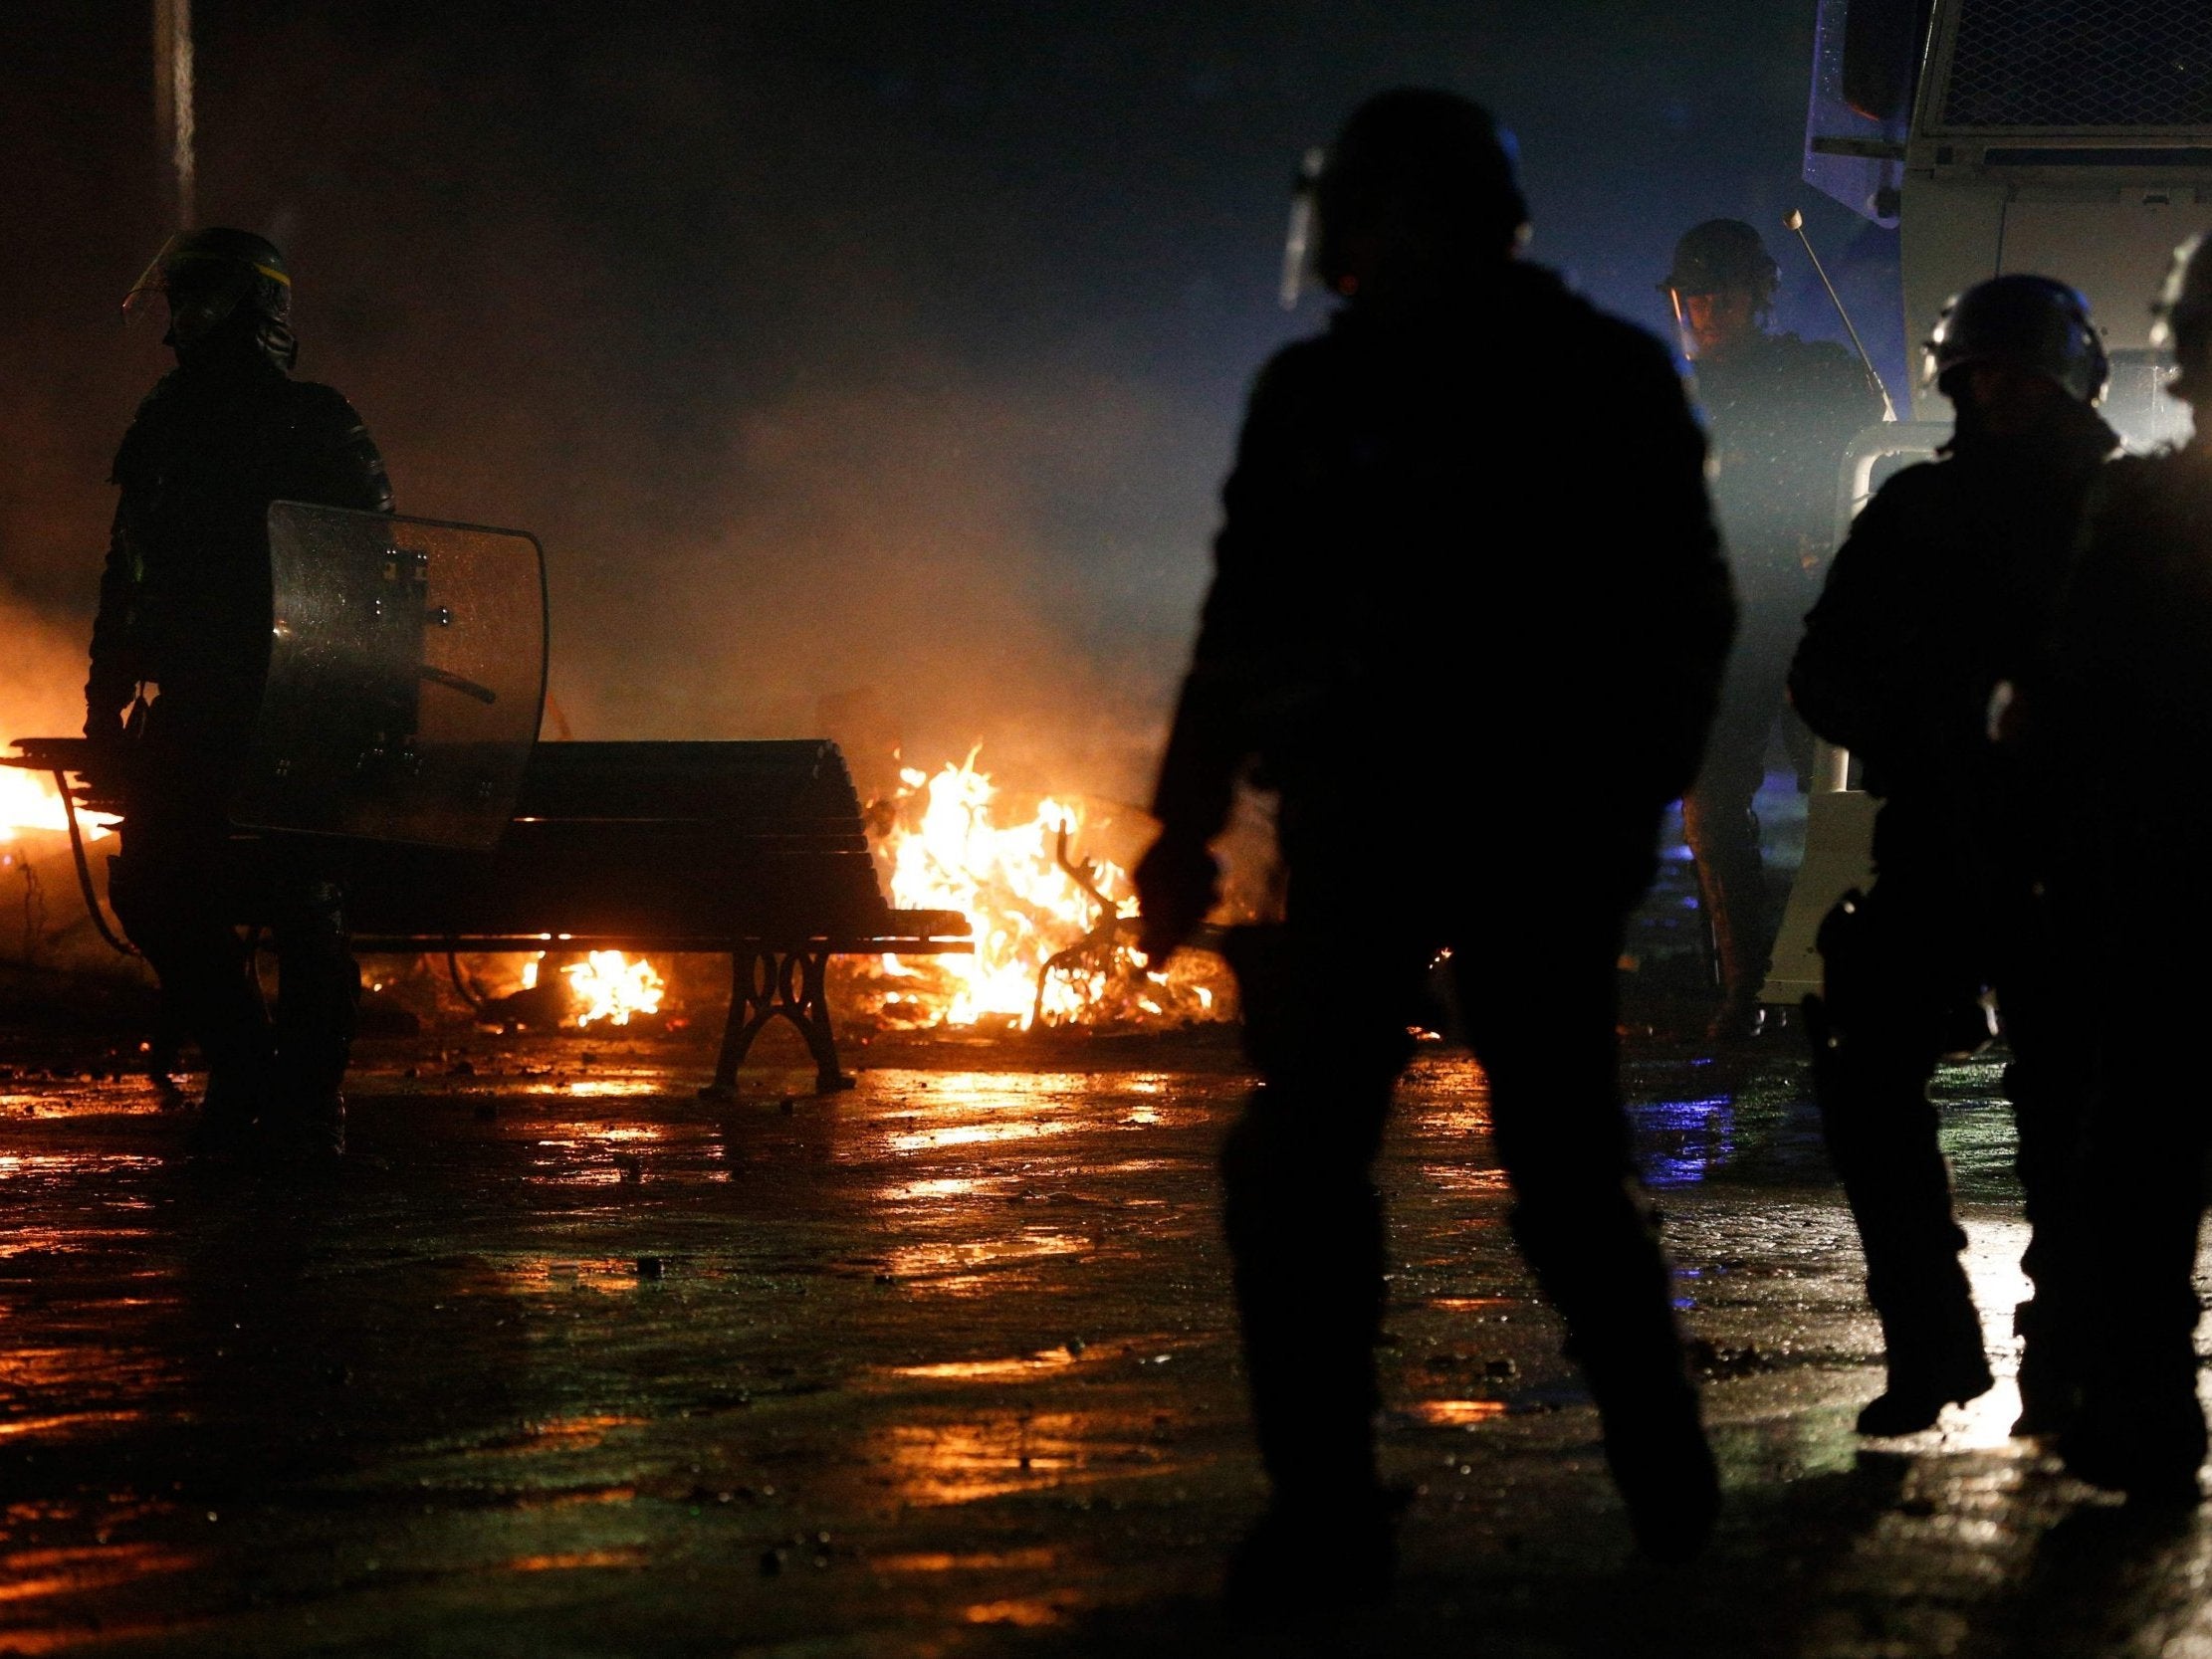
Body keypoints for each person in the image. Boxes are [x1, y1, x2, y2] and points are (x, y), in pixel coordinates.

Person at [1135, 89, 1736, 1610]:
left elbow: (1680, 613)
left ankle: (1555, 1475)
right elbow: (1245, 625)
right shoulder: (1563, 374)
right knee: (1404, 1159)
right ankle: (1574, 1479)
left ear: (1397, 214)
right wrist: (1186, 820)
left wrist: (1188, 826)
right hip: (1443, 828)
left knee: (1433, 1160)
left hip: (1470, 826)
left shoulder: (1444, 384)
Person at [1788, 275, 2117, 1439]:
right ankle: (1928, 1342)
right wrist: (1915, 725)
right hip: (1933, 832)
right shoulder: (1915, 511)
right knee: (1861, 1067)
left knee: (2074, 1110)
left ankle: (2068, 1353)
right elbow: (1819, 667)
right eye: (1982, 373)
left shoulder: (2122, 514)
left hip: (2079, 848)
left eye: (2021, 373)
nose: (2000, 394)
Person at [86, 227, 391, 1154]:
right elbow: (126, 568)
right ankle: (246, 1062)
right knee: (151, 886)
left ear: (244, 305)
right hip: (193, 699)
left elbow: (375, 575)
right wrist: (104, 698)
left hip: (298, 702)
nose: (176, 321)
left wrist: (354, 700)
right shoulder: (165, 422)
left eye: (192, 297)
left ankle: (306, 1100)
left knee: (306, 904)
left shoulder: (317, 421)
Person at [2047, 234, 2212, 1502]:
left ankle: (2143, 1405)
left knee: (2139, 1152)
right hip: (2157, 868)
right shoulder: (2141, 506)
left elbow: (2067, 696)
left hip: (2159, 874)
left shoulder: (2144, 505)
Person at [1660, 219, 1884, 1037]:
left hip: (1809, 612)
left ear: (1758, 294)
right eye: (1694, 295)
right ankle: (1747, 985)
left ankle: (1852, 974)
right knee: (1712, 803)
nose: (1705, 310)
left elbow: (1869, 461)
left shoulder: (1816, 376)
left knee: (1844, 793)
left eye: (1721, 293)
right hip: (1720, 623)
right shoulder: (1676, 396)